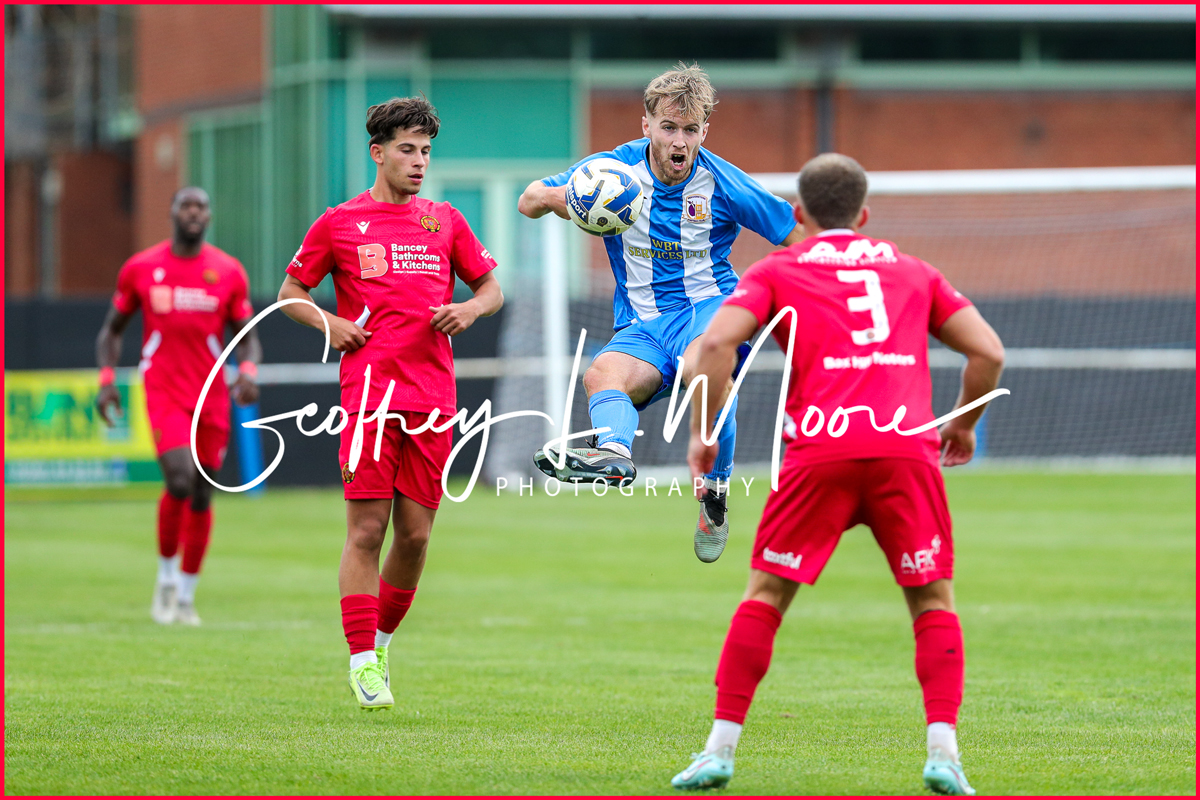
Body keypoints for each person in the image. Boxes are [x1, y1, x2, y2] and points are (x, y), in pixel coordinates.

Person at [673, 153, 1005, 794]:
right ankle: (944, 753)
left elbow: (714, 346)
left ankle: (718, 751)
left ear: (798, 215)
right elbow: (988, 351)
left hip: (818, 450)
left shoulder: (778, 269)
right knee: (932, 601)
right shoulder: (913, 270)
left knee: (765, 597)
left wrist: (703, 433)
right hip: (904, 450)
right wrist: (962, 426)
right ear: (865, 214)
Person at [518, 62, 804, 564]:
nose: (679, 141)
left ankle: (713, 492)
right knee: (602, 374)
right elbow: (529, 200)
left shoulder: (723, 182)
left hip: (708, 309)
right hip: (643, 323)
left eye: (690, 130)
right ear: (646, 124)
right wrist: (576, 200)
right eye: (668, 127)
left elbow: (795, 234)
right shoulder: (612, 171)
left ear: (703, 132)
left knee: (702, 370)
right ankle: (614, 453)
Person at [277, 96, 503, 711]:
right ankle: (360, 664)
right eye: (407, 149)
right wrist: (330, 324)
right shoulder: (341, 223)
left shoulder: (446, 221)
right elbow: (290, 292)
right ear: (378, 153)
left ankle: (378, 644)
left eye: (426, 150)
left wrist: (470, 307)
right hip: (370, 400)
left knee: (417, 537)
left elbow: (491, 287)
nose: (419, 161)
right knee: (367, 530)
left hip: (434, 398)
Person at [96, 187, 261, 627]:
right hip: (164, 388)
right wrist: (107, 379)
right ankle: (166, 578)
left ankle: (186, 594)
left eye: (201, 206)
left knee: (204, 490)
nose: (193, 213)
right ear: (171, 213)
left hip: (210, 393)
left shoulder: (227, 271)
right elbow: (111, 330)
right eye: (185, 205)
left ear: (209, 216)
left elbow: (247, 335)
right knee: (181, 480)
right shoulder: (141, 268)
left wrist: (248, 369)